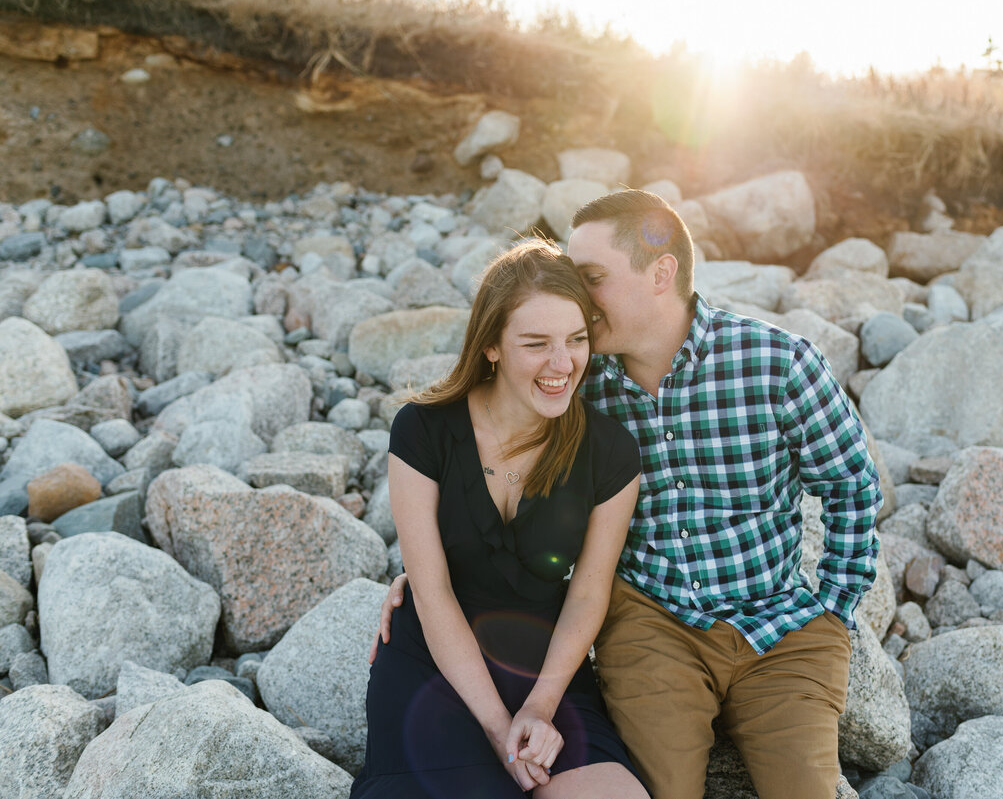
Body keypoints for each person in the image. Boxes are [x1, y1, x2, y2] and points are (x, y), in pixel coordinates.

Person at [375, 190, 881, 799]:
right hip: (654, 624)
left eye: (590, 279)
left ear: (661, 272)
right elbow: (480, 441)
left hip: (777, 621)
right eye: (572, 281)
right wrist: (427, 575)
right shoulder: (581, 383)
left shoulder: (775, 363)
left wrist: (833, 607)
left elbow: (852, 483)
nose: (577, 307)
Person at [352, 240, 648, 799]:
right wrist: (497, 730)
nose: (563, 365)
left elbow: (588, 593)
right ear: (490, 345)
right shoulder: (422, 431)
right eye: (536, 344)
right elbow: (432, 591)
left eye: (577, 340)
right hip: (435, 665)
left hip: (547, 668)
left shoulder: (611, 451)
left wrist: (539, 707)